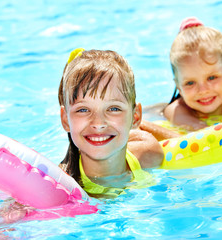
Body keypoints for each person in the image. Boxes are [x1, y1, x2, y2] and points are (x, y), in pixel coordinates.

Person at [58, 48, 177, 198]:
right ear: (65, 120)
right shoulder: (59, 188)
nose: (98, 123)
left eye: (113, 108)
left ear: (135, 117)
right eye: (83, 110)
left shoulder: (148, 153)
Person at [163, 17, 222, 131]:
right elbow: (199, 130)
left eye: (211, 77)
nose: (203, 90)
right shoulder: (176, 110)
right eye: (190, 83)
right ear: (178, 87)